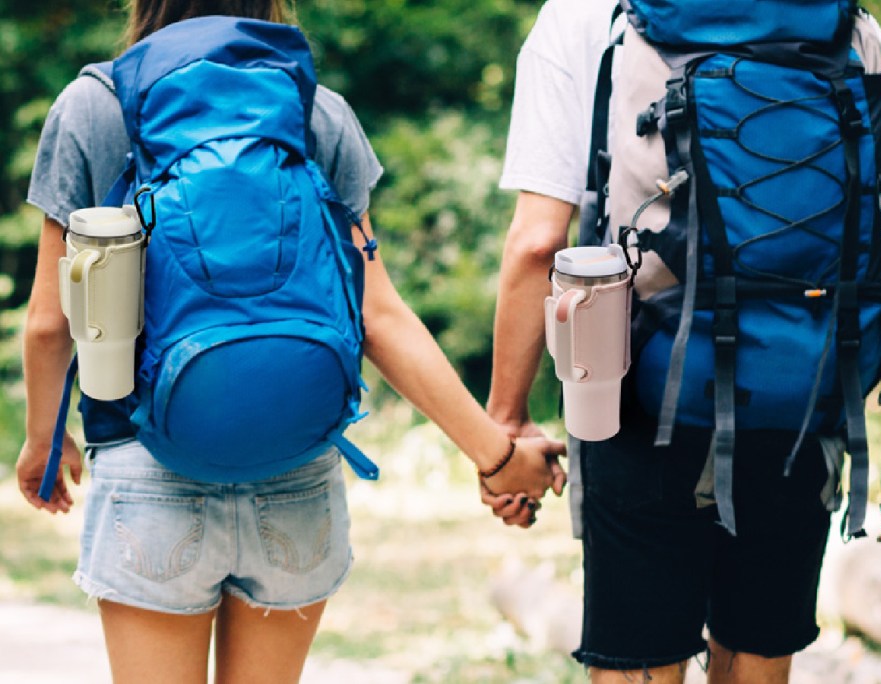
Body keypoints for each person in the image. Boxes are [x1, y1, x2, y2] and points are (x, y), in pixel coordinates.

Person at [15, 1, 564, 681]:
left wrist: (44, 441)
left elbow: (48, 321)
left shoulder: (95, 106)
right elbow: (379, 316)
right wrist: (496, 455)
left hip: (147, 470)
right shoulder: (312, 110)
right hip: (295, 475)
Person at [485, 1, 881, 683]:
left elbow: (538, 243)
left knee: (638, 659)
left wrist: (505, 425)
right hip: (802, 390)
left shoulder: (585, 18)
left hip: (638, 391)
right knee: (757, 650)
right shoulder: (846, 25)